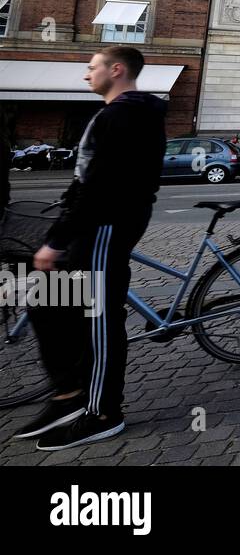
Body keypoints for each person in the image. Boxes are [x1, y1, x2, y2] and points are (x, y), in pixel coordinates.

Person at [18, 46, 166, 450]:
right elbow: (87, 175)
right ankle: (67, 393)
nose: (86, 74)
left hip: (106, 225)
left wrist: (57, 239)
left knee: (99, 317)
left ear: (116, 70)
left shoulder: (126, 114)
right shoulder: (113, 113)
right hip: (91, 222)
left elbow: (102, 183)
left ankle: (102, 412)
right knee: (43, 297)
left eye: (92, 67)